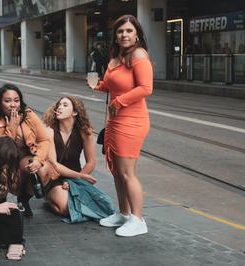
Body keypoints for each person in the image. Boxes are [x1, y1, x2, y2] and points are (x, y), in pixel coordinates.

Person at [89, 14, 153, 237]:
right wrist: (99, 86)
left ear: (136, 34)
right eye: (120, 31)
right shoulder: (116, 57)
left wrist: (119, 101)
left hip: (132, 120)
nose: (124, 35)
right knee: (116, 171)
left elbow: (146, 88)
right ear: (115, 36)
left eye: (129, 31)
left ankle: (138, 219)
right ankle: (124, 214)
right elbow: (111, 84)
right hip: (115, 120)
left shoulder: (138, 54)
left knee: (127, 173)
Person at [0, 83, 58, 218]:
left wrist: (38, 160)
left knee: (43, 169)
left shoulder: (28, 115)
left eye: (16, 100)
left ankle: (24, 199)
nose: (13, 105)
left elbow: (45, 139)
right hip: (2, 165)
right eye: (7, 101)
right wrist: (12, 128)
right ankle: (1, 204)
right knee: (3, 174)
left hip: (23, 161)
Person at [43, 96, 114, 222]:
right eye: (59, 105)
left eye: (65, 105)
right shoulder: (49, 131)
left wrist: (76, 180)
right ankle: (48, 199)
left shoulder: (84, 132)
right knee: (66, 208)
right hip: (55, 177)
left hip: (77, 177)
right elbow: (54, 164)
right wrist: (77, 178)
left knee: (103, 204)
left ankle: (59, 197)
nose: (59, 107)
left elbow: (91, 162)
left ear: (75, 112)